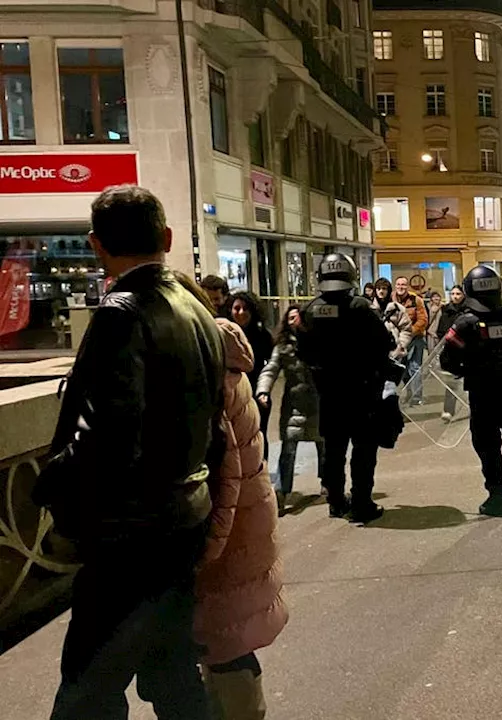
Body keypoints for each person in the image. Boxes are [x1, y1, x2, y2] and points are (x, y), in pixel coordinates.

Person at [33, 185, 220, 719]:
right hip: (186, 513)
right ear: (164, 237)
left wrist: (51, 483)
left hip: (132, 529)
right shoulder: (194, 306)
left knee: (89, 683)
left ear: (96, 245)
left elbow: (107, 434)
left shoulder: (121, 312)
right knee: (171, 668)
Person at [196, 307, 288, 720]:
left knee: (224, 647)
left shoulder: (209, 379)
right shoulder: (227, 367)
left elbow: (226, 476)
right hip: (245, 533)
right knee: (228, 646)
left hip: (225, 541)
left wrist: (205, 551)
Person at [296, 254, 394, 523]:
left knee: (334, 450)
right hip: (362, 392)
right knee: (363, 450)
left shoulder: (310, 309)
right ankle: (361, 504)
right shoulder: (361, 307)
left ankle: (336, 502)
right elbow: (384, 343)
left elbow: (302, 351)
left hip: (328, 393)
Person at [440, 266, 502, 518]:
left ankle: (497, 499)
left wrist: (467, 367)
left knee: (489, 449)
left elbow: (447, 361)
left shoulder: (464, 323)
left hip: (482, 396)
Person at [257, 305, 325, 514]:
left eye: (297, 318)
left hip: (319, 403)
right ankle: (282, 491)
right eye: (290, 318)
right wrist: (263, 391)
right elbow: (271, 369)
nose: (293, 322)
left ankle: (328, 483)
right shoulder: (283, 347)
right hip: (294, 405)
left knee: (324, 448)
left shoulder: (318, 344)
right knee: (288, 450)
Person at [231, 291, 275, 464]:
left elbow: (271, 366)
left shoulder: (262, 335)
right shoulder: (226, 334)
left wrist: (263, 391)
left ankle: (261, 472)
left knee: (260, 435)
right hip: (234, 395)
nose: (240, 313)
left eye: (245, 309)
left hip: (257, 393)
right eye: (236, 308)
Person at [394, 276, 429, 405]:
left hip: (415, 338)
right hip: (398, 340)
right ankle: (408, 391)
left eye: (403, 285)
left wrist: (409, 332)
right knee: (401, 368)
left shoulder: (416, 300)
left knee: (414, 367)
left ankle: (416, 397)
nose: (401, 287)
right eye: (398, 284)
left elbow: (423, 320)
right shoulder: (391, 299)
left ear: (407, 286)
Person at [436, 285, 467, 422]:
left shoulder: (468, 311)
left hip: (467, 350)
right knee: (451, 381)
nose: (455, 296)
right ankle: (448, 410)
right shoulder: (446, 311)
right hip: (451, 351)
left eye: (458, 293)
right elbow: (441, 331)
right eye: (453, 293)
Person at [372, 277, 412, 361]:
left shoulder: (397, 308)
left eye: (384, 289)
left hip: (393, 351)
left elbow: (406, 329)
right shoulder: (369, 308)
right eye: (378, 289)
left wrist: (400, 346)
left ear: (389, 290)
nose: (381, 291)